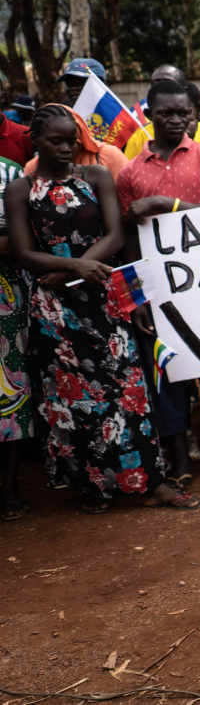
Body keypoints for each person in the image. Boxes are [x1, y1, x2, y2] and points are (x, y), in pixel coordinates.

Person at [5, 104, 200, 512]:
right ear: (35, 142)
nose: (65, 148)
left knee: (128, 389)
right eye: (55, 141)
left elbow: (114, 234)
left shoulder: (94, 176)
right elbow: (23, 251)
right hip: (55, 308)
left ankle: (149, 481)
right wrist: (74, 266)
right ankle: (95, 487)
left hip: (105, 294)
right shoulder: (21, 188)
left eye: (71, 141)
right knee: (73, 397)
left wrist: (82, 268)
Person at [116, 79, 200, 486]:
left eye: (183, 113)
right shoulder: (130, 173)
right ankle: (178, 461)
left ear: (194, 115)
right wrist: (134, 298)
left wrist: (164, 205)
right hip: (157, 293)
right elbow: (126, 241)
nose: (175, 120)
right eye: (166, 113)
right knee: (166, 376)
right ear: (149, 114)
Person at [0, 154, 33, 520]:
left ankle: (10, 488)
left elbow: (23, 240)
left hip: (6, 297)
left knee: (11, 392)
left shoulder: (10, 173)